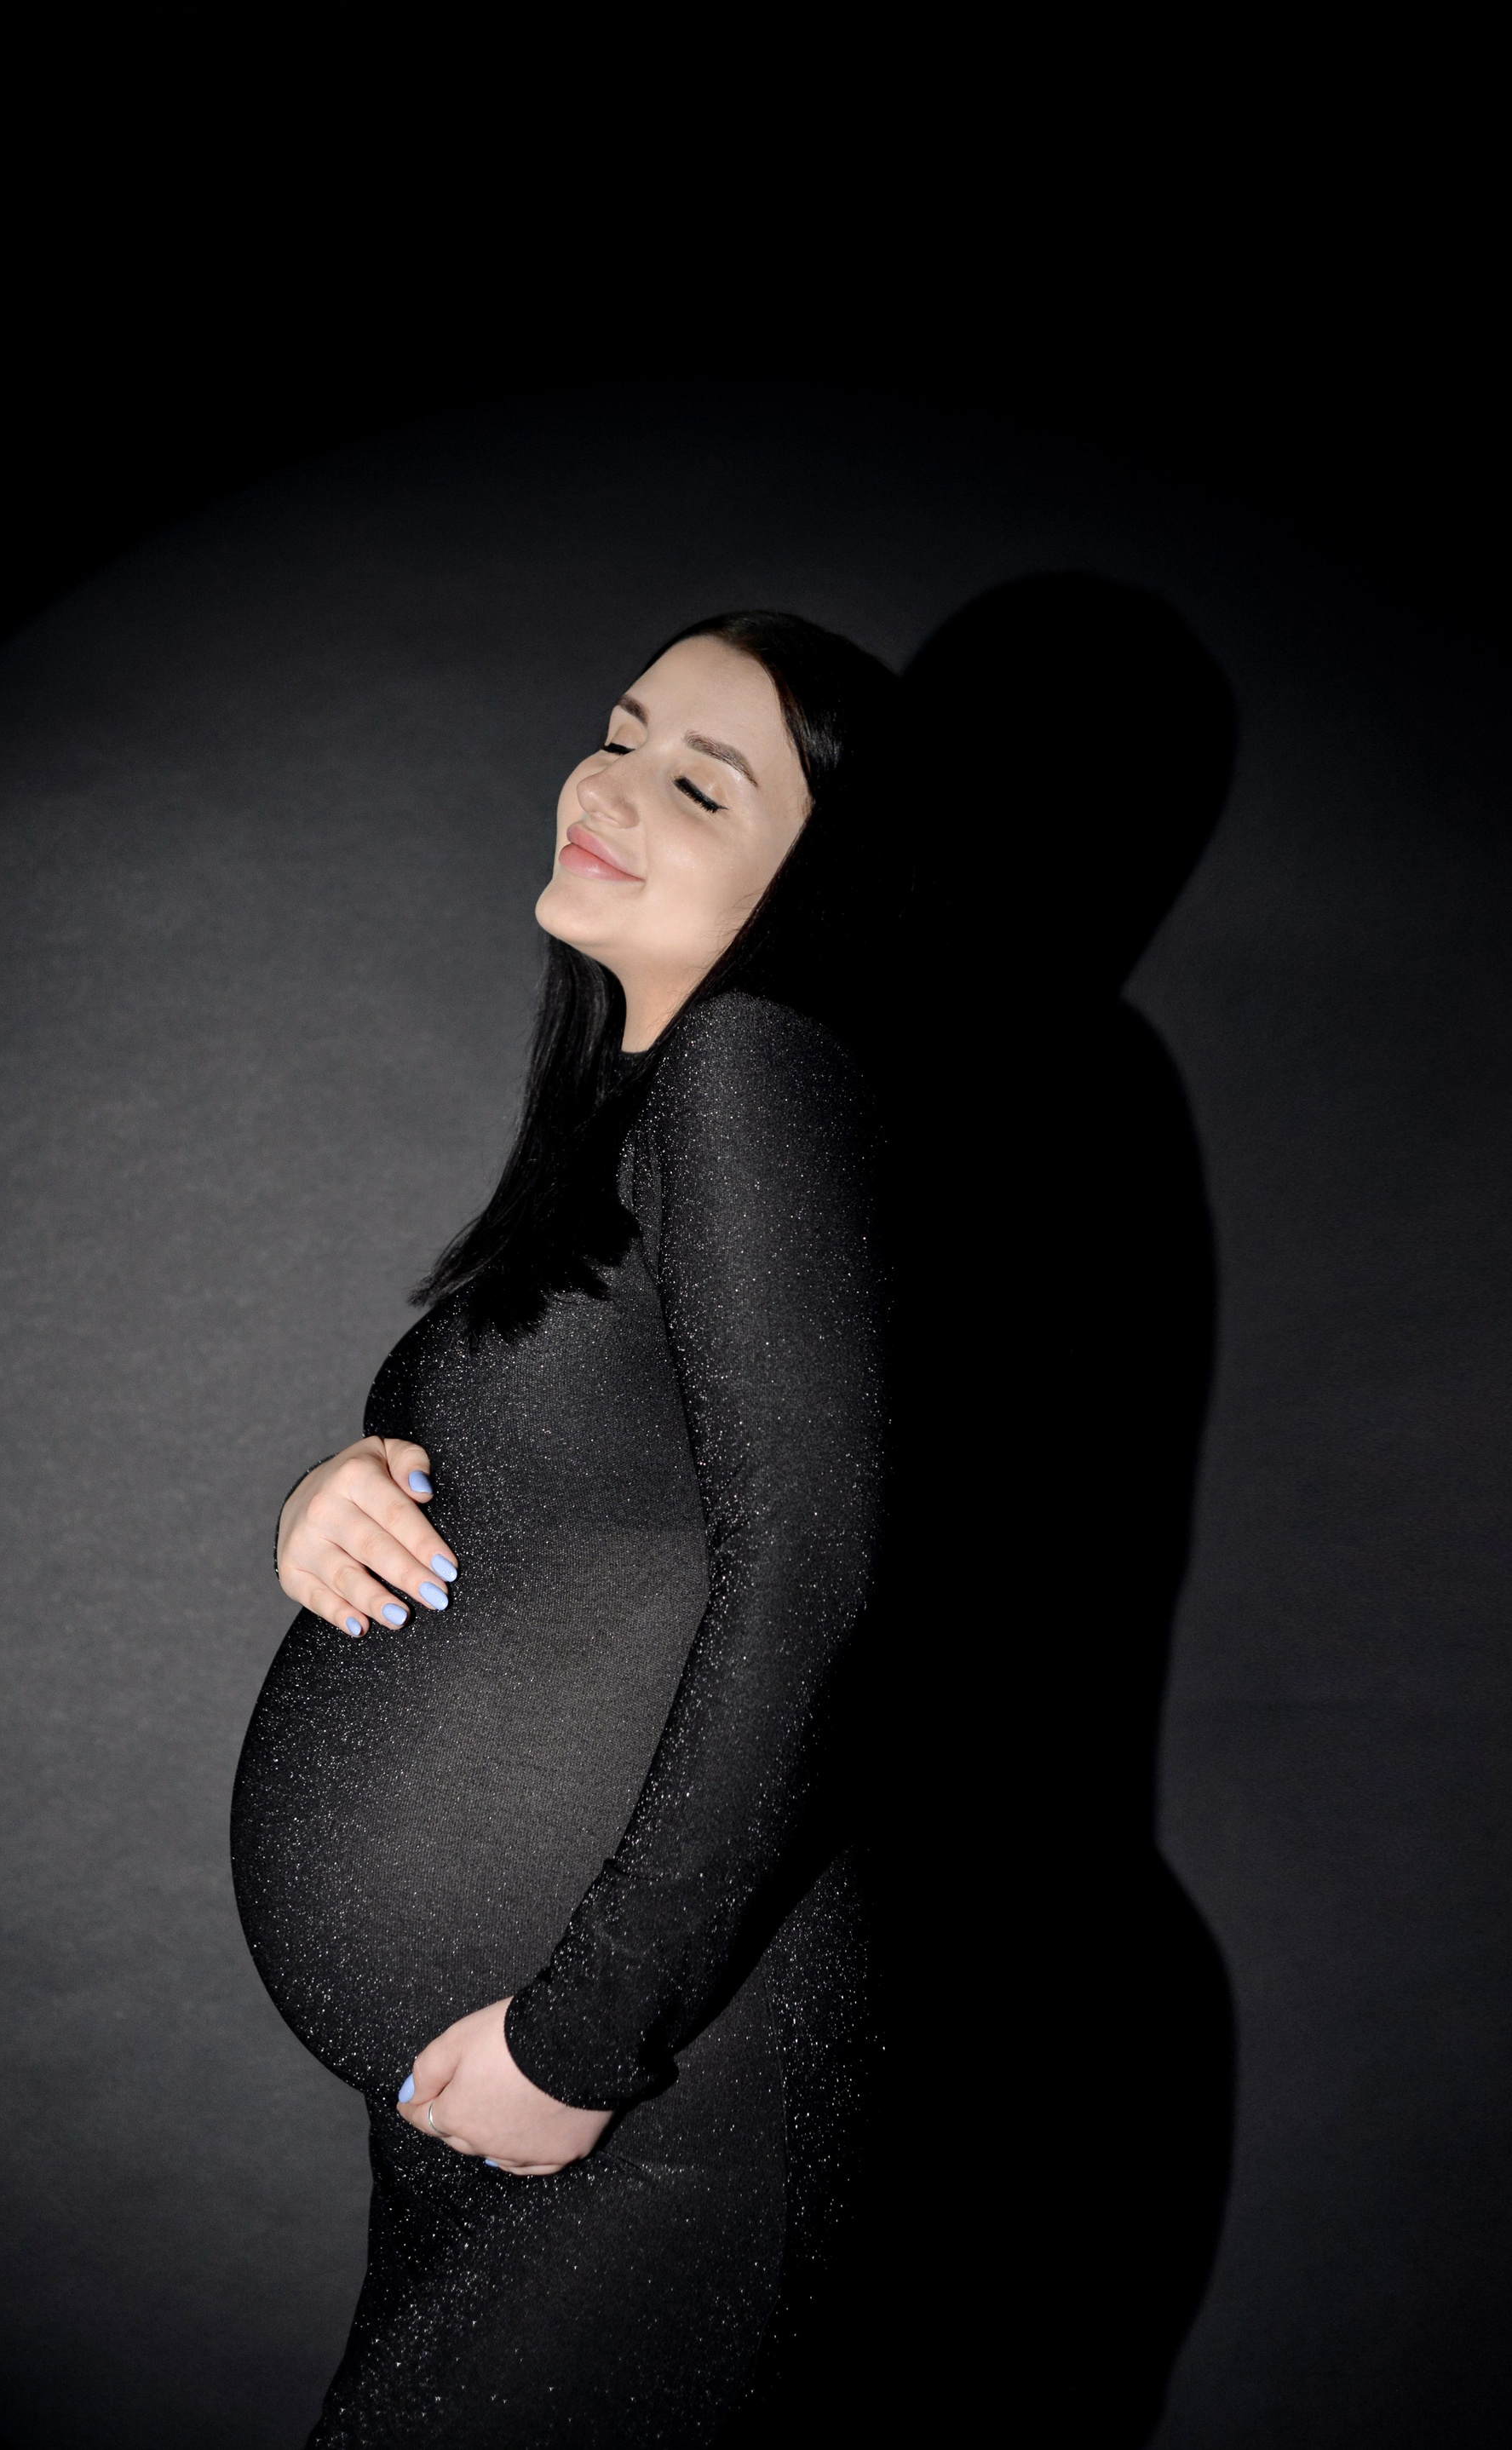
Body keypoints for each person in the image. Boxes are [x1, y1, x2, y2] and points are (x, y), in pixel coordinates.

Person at [232, 611, 901, 2447]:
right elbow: (591, 1494)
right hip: (535, 2088)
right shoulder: (648, 1121)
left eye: (701, 784)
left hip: (652, 2090)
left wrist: (586, 2035)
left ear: (812, 882)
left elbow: (818, 1579)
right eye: (619, 734)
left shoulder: (757, 1063)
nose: (610, 784)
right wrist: (330, 1491)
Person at [897, 574, 1239, 2446]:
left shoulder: (891, 1080)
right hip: (1089, 2018)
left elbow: (814, 1572)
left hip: (945, 2036)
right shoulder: (1114, 1078)